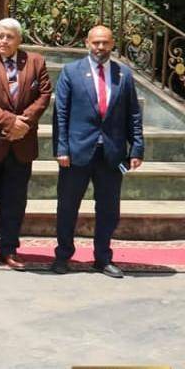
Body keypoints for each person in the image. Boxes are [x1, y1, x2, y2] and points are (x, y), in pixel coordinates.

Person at [51, 25, 144, 278]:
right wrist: (61, 148)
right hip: (76, 153)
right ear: (87, 43)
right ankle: (63, 255)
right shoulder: (71, 72)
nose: (100, 47)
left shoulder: (123, 74)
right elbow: (61, 113)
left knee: (108, 209)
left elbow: (133, 113)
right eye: (96, 42)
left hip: (112, 154)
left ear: (112, 44)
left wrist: (136, 148)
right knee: (67, 206)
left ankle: (102, 258)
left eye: (105, 42)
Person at [0, 18, 52, 270]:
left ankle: (9, 248)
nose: (4, 41)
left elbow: (44, 94)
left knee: (14, 201)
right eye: (0, 36)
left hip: (21, 144)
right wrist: (10, 122)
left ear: (19, 39)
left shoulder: (35, 62)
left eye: (9, 37)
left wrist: (23, 123)